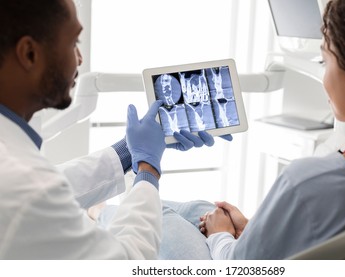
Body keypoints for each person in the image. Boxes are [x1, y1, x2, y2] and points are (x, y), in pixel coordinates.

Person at [156, 0, 345, 259]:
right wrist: (253, 230)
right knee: (201, 210)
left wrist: (219, 235)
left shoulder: (306, 182)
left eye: (325, 61)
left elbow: (239, 268)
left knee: (158, 213)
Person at [0, 0, 215, 259]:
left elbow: (47, 191)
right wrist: (148, 169)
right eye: (73, 43)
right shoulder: (23, 182)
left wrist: (130, 151)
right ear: (29, 53)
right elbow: (126, 262)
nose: (79, 59)